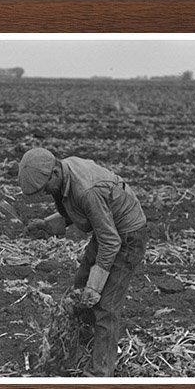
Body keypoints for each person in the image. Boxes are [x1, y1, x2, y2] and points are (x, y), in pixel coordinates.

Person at [18, 147, 148, 377]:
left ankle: (100, 374)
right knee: (80, 288)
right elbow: (78, 211)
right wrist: (47, 224)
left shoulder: (87, 191)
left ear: (54, 172)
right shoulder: (65, 172)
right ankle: (87, 347)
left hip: (127, 237)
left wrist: (96, 287)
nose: (46, 193)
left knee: (105, 306)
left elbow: (111, 242)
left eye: (44, 187)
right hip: (108, 230)